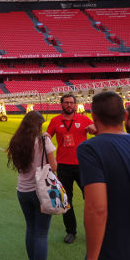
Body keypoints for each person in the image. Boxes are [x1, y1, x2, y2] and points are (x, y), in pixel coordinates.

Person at [77, 91, 130, 260]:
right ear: (125, 116)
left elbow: (97, 208)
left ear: (93, 117)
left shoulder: (90, 148)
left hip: (112, 255)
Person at [8, 111, 57, 260]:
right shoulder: (43, 140)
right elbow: (54, 165)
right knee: (42, 233)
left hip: (23, 190)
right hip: (41, 190)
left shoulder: (17, 140)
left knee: (31, 228)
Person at [46, 94, 96, 244]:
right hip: (63, 167)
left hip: (83, 165)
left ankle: (94, 230)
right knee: (66, 201)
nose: (69, 105)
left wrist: (95, 128)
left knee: (92, 199)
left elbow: (99, 132)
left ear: (75, 105)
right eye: (66, 102)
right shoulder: (55, 121)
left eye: (71, 103)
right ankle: (71, 231)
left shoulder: (83, 119)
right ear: (61, 104)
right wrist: (43, 136)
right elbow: (47, 138)